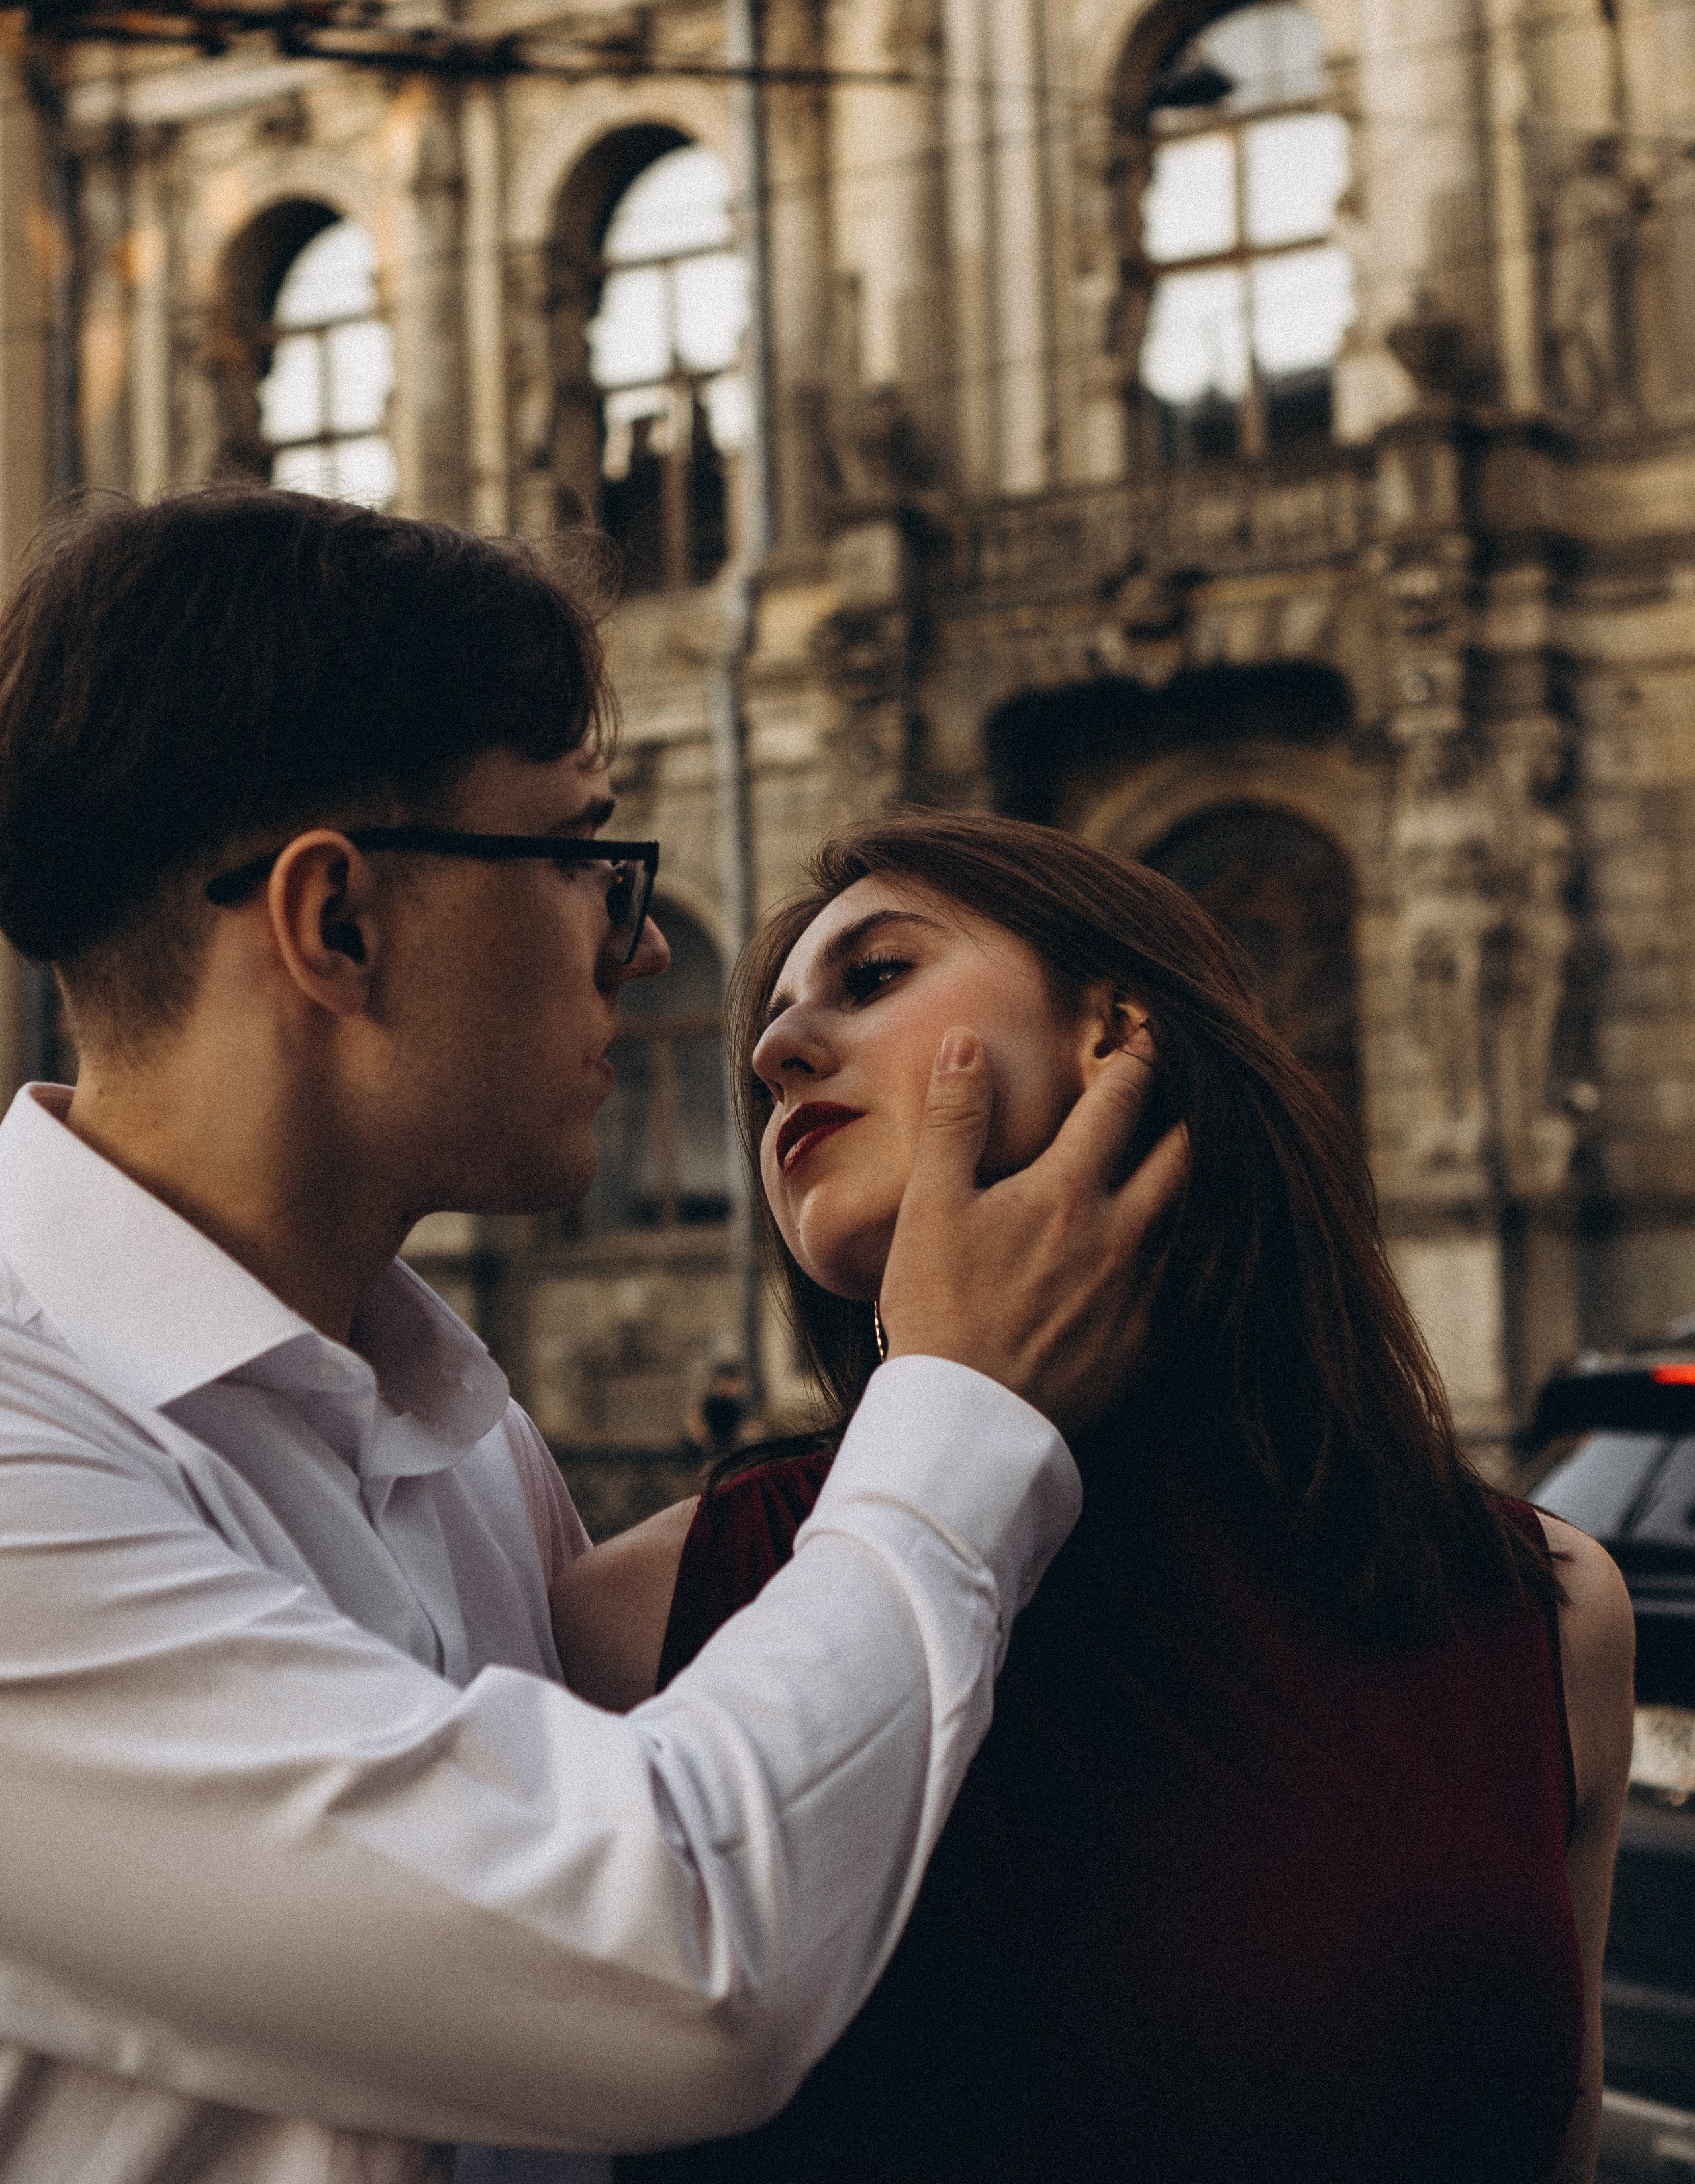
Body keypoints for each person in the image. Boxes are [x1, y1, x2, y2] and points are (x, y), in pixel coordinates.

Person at [0, 495, 1188, 2184]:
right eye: (579, 856)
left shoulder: (456, 1427)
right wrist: (961, 1407)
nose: (639, 945)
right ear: (334, 925)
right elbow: (669, 1966)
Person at [590, 813, 1635, 2184]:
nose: (771, 1054)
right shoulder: (638, 1612)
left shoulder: (1542, 1613)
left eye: (873, 977)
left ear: (1114, 1030)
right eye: (770, 1028)